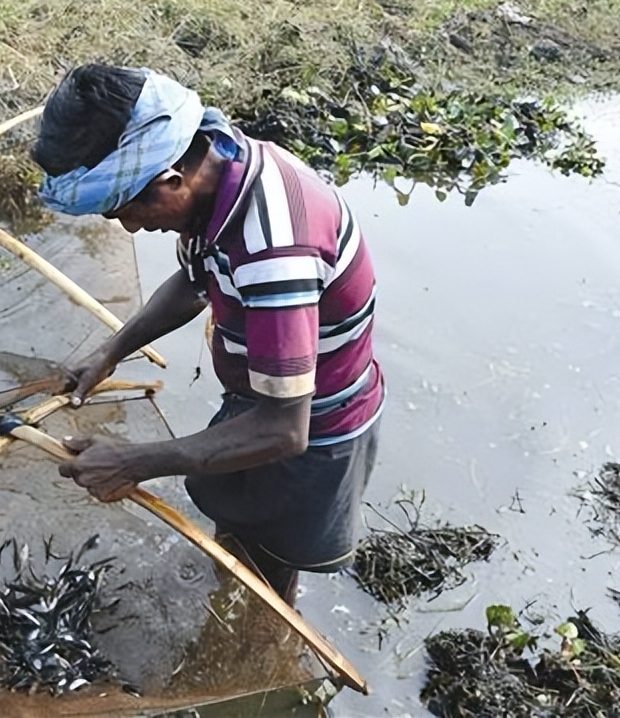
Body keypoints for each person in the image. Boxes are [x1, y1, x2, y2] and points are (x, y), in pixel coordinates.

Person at [31, 65, 384, 605]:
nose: (129, 228)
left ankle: (260, 640)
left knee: (270, 574)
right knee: (236, 535)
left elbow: (285, 431)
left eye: (129, 211)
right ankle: (233, 592)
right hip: (257, 401)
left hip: (311, 429)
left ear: (171, 180)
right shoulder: (222, 170)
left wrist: (135, 460)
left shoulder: (275, 249)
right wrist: (111, 351)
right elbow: (198, 279)